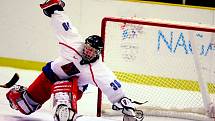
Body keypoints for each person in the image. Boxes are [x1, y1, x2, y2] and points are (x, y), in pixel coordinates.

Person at [5, 0, 144, 121]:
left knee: (62, 91)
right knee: (26, 107)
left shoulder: (98, 69)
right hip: (49, 76)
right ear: (85, 44)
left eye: (93, 51)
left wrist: (127, 106)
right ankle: (16, 95)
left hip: (73, 87)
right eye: (88, 47)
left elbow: (112, 86)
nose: (88, 51)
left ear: (98, 52)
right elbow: (64, 26)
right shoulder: (74, 43)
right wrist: (55, 9)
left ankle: (65, 112)